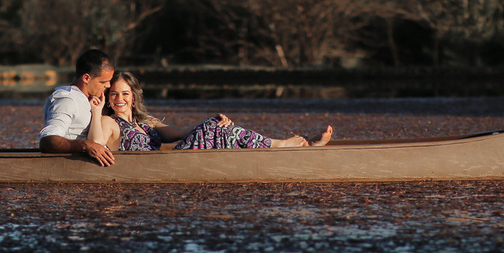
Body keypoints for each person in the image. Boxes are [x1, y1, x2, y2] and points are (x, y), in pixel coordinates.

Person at [90, 71, 333, 153]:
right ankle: (283, 145)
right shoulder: (109, 122)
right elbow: (95, 144)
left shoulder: (144, 122)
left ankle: (297, 147)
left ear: (133, 97)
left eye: (124, 94)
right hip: (167, 164)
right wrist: (95, 112)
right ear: (108, 98)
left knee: (219, 127)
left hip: (177, 156)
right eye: (113, 94)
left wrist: (208, 124)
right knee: (214, 127)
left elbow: (178, 132)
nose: (119, 99)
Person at [39, 48, 116, 166]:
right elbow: (47, 141)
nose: (108, 85)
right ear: (86, 78)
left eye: (109, 81)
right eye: (103, 82)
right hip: (72, 166)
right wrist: (85, 145)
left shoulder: (87, 99)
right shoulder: (67, 100)